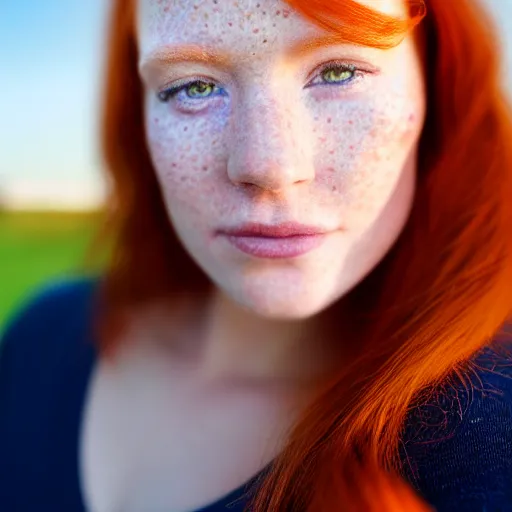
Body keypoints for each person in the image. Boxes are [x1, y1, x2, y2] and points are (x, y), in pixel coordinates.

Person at [1, 0, 511, 510]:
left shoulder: (488, 442)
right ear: (137, 113)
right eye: (193, 86)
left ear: (436, 81)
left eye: (339, 70)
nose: (267, 165)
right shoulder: (40, 343)